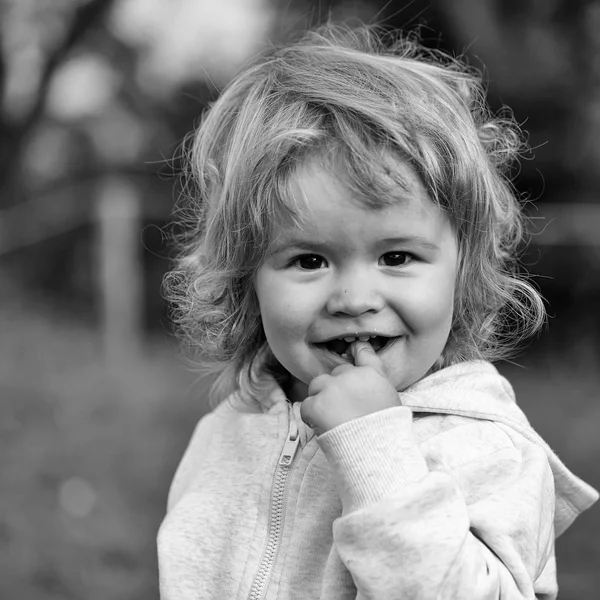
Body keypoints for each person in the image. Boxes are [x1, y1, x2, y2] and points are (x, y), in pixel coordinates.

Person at [157, 23, 598, 600]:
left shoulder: (485, 448)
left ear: (462, 273)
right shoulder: (227, 431)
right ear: (247, 278)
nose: (354, 298)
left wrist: (373, 451)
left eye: (396, 256)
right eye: (309, 260)